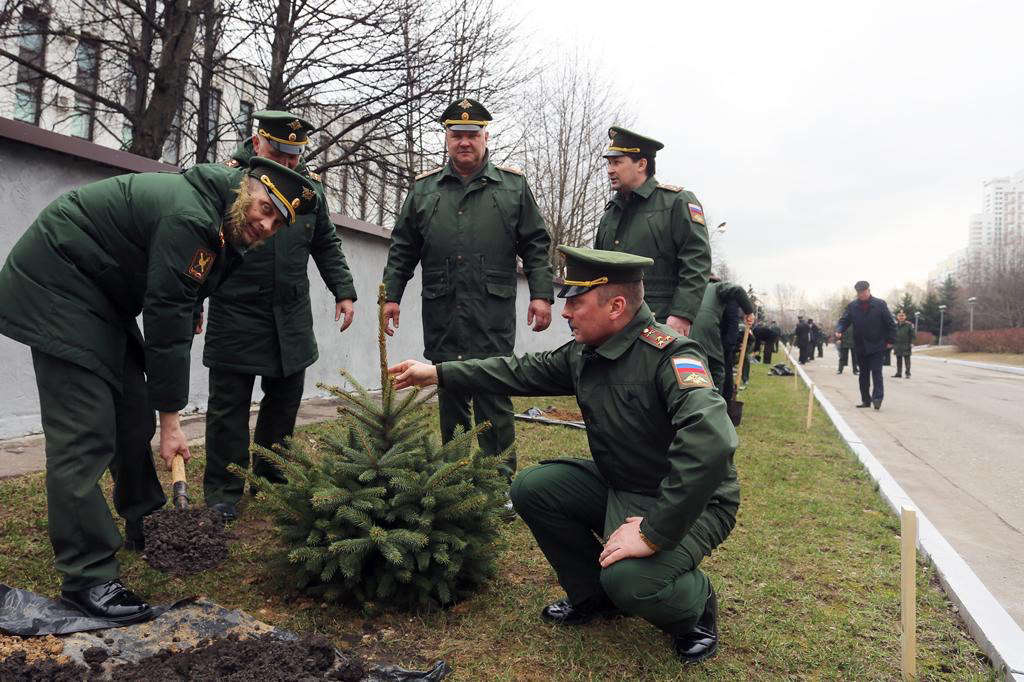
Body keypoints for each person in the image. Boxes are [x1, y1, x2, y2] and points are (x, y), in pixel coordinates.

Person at [0, 158, 316, 622]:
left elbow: (181, 289)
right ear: (246, 189)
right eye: (265, 207)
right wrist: (171, 421)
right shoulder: (191, 215)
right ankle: (87, 576)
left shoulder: (219, 219)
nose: (266, 223)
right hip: (59, 287)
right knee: (85, 433)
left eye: (277, 221)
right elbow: (166, 319)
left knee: (130, 413)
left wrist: (190, 309)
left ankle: (147, 522)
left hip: (101, 296)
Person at [389, 246, 739, 665]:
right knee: (533, 488)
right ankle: (594, 598)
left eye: (576, 301)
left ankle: (695, 608)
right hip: (623, 484)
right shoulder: (584, 353)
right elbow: (515, 371)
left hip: (693, 500)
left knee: (629, 580)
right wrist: (440, 372)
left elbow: (711, 441)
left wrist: (652, 532)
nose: (566, 311)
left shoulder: (671, 355)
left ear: (616, 306)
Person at [382, 98, 553, 480]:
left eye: (472, 134)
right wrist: (391, 296)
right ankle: (453, 480)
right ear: (446, 138)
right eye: (456, 134)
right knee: (449, 389)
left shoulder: (512, 187)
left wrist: (541, 295)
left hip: (492, 311)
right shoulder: (425, 191)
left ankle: (499, 481)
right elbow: (403, 247)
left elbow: (536, 244)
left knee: (493, 391)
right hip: (443, 309)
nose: (464, 142)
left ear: (485, 137)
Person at [200, 111, 357, 521]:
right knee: (228, 408)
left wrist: (343, 291)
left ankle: (270, 478)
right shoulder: (227, 182)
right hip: (235, 309)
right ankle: (223, 492)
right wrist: (192, 299)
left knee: (284, 401)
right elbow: (199, 242)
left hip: (289, 315)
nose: (286, 164)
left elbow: (326, 244)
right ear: (256, 144)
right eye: (278, 153)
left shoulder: (310, 193)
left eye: (294, 156)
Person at [593, 126, 711, 336]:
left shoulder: (677, 202)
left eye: (617, 162)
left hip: (660, 322)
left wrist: (682, 313)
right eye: (609, 163)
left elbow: (697, 261)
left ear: (642, 164)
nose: (610, 169)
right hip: (612, 323)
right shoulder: (611, 213)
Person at [690, 277, 754, 398]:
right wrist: (749, 312)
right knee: (718, 372)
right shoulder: (718, 288)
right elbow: (738, 291)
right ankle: (715, 408)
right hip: (711, 339)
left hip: (686, 335)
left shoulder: (692, 288)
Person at [836, 281, 896, 410]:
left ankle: (878, 398)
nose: (861, 294)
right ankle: (865, 400)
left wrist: (890, 340)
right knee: (863, 374)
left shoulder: (880, 304)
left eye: (863, 292)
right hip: (860, 345)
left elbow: (890, 323)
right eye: (859, 293)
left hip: (877, 344)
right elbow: (844, 320)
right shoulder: (852, 306)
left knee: (876, 372)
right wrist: (839, 329)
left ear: (869, 290)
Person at [892, 310, 916, 378]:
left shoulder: (909, 325)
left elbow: (913, 335)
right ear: (897, 317)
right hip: (897, 345)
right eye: (899, 316)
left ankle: (908, 373)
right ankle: (899, 373)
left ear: (905, 317)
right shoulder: (895, 325)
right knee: (898, 360)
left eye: (902, 316)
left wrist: (912, 343)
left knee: (907, 360)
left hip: (906, 345)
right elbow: (892, 334)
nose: (901, 317)